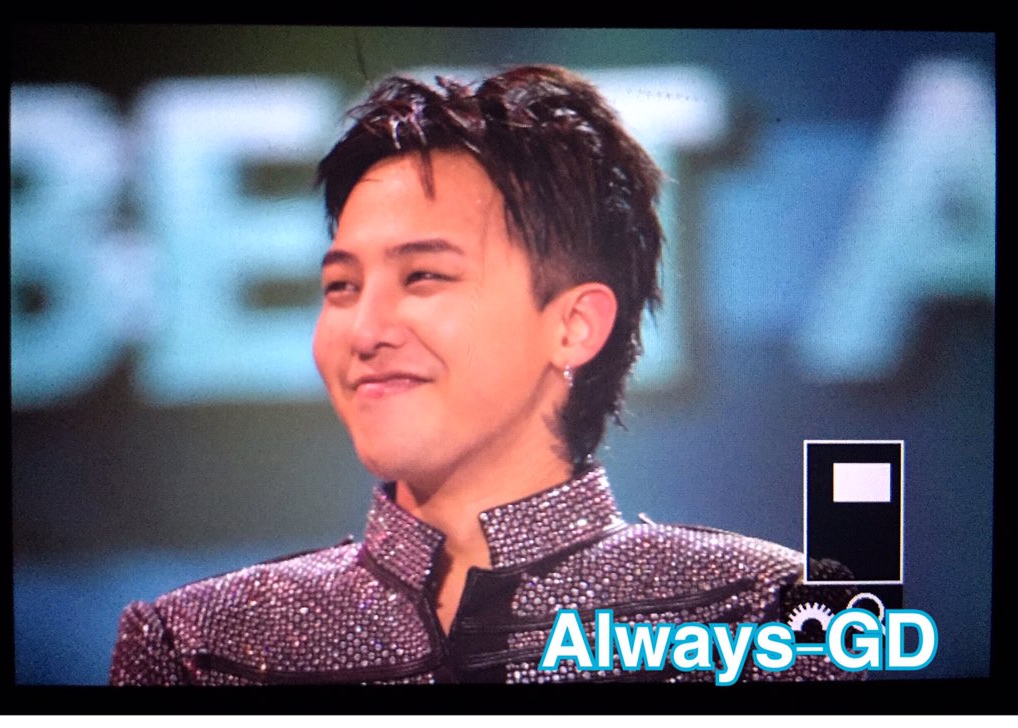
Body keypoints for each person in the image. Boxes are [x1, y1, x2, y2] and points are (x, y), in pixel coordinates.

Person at [109, 65, 857, 685]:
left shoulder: (760, 617)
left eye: (424, 276)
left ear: (574, 325)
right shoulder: (198, 648)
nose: (365, 330)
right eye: (341, 286)